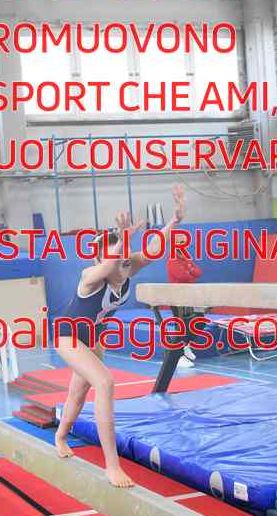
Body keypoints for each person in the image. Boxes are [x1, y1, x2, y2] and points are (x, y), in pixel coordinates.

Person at [54, 185, 186, 488]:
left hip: (93, 340)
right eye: (119, 258)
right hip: (69, 337)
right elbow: (110, 262)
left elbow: (152, 250)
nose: (125, 263)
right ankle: (111, 466)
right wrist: (123, 237)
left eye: (127, 259)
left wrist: (174, 221)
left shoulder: (125, 269)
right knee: (105, 382)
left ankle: (60, 436)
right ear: (102, 261)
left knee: (78, 393)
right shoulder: (89, 278)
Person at [166, 231, 202, 367]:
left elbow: (198, 272)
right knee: (182, 325)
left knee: (199, 320)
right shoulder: (172, 259)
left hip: (189, 296)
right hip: (177, 297)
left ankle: (186, 345)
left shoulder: (186, 258)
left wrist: (189, 269)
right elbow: (182, 276)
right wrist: (190, 270)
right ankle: (179, 356)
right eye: (180, 242)